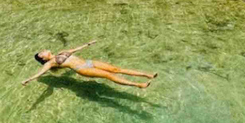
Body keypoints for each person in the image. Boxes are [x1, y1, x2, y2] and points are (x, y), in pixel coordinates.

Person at [22, 40, 157, 89]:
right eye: (41, 53)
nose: (44, 51)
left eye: (42, 50)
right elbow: (40, 73)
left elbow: (75, 50)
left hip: (88, 62)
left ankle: (146, 75)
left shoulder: (61, 52)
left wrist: (88, 44)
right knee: (109, 75)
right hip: (81, 69)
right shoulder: (50, 64)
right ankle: (138, 85)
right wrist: (28, 80)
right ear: (43, 59)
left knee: (116, 69)